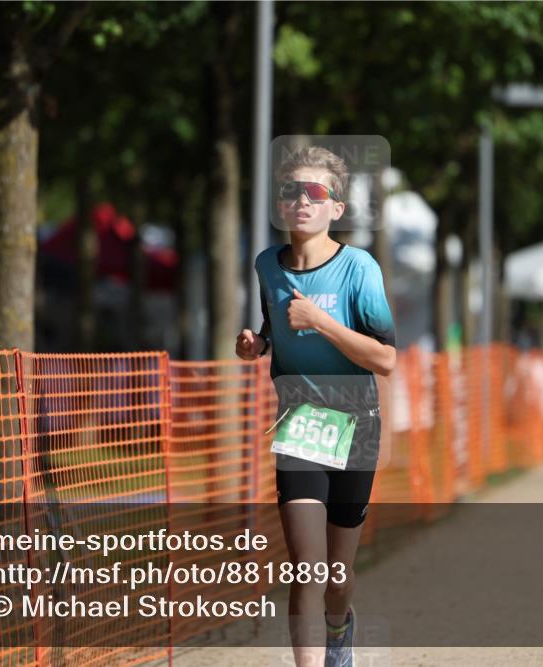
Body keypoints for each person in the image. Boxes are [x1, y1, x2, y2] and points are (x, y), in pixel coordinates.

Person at [236, 146, 396, 667]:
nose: (301, 200)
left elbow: (387, 357)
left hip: (358, 425)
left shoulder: (359, 269)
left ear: (337, 209)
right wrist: (258, 344)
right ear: (280, 205)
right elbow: (274, 326)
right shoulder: (266, 265)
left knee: (337, 578)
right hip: (303, 424)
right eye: (291, 191)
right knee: (306, 567)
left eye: (315, 192)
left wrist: (322, 322)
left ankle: (339, 630)